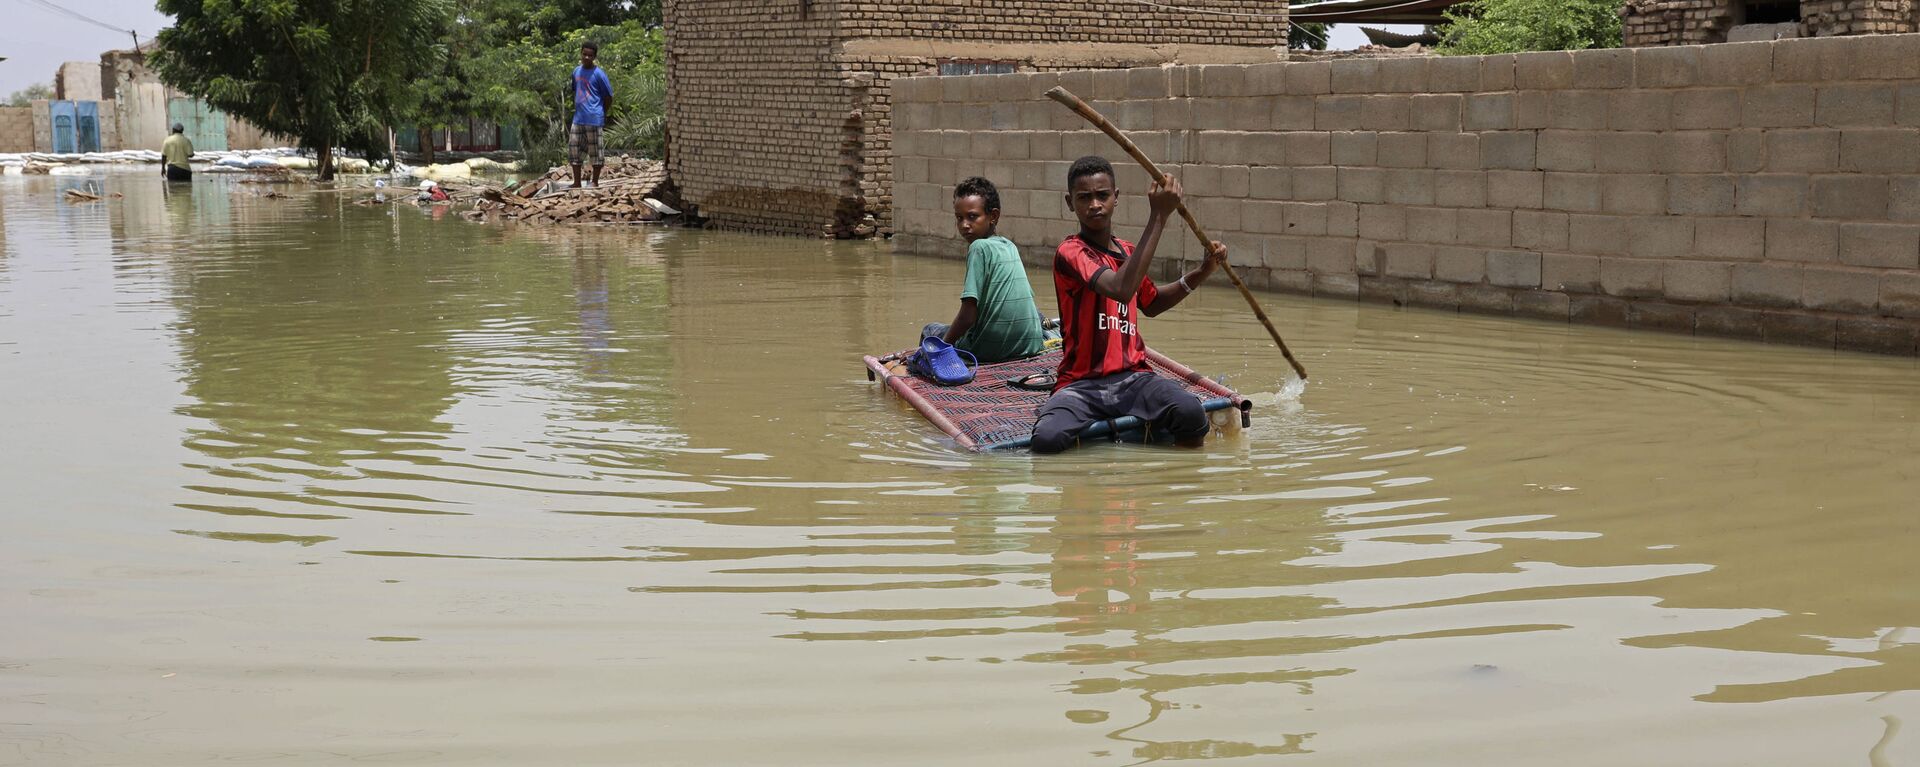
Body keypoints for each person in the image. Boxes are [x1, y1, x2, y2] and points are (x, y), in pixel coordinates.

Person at [1030, 156, 1227, 455]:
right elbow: (1120, 289)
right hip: (1081, 385)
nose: (1095, 204)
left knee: (1190, 414)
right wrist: (1159, 216)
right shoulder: (1070, 252)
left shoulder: (1128, 252)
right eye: (1084, 198)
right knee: (1047, 440)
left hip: (1133, 379)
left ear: (1116, 197)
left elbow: (1152, 303)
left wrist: (1202, 272)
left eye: (1102, 195)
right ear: (1070, 203)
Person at [918, 177, 1050, 365]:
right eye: (959, 218)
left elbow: (968, 315)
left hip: (990, 350)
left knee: (930, 330)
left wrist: (942, 347)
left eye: (972, 217)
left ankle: (932, 368)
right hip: (1029, 346)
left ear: (993, 216)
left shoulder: (978, 248)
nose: (964, 225)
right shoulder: (1009, 245)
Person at [567, 42, 614, 189]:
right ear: (581, 53)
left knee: (595, 152)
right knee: (574, 149)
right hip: (578, 118)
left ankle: (595, 182)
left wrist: (602, 113)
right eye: (584, 54)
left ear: (594, 57)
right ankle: (577, 183)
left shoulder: (599, 74)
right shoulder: (576, 72)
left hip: (594, 118)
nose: (587, 57)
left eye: (590, 55)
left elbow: (608, 97)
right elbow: (576, 90)